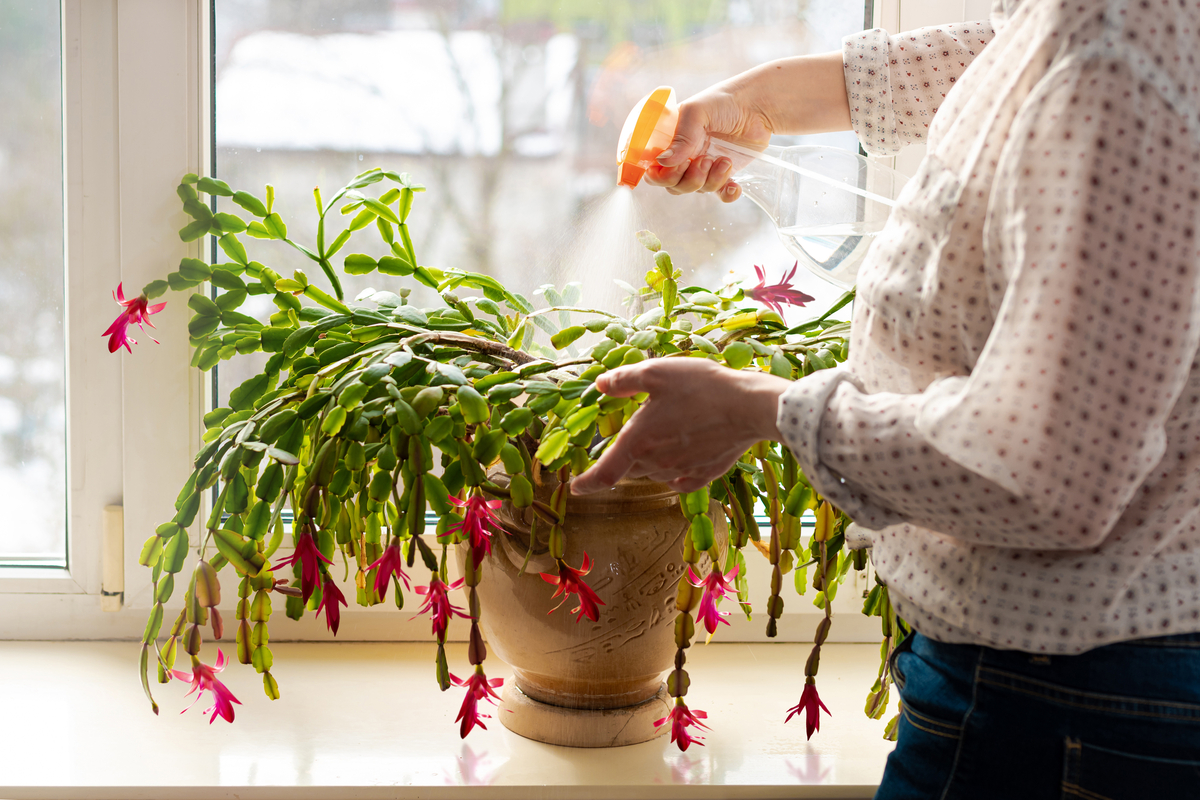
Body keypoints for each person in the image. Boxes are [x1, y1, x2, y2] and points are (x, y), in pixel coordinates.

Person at [572, 1, 1200, 797]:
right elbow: (995, 62)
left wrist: (764, 408)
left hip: (1071, 700)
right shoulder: (1096, 33)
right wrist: (756, 103)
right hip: (1061, 681)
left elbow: (1045, 474)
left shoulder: (1118, 65)